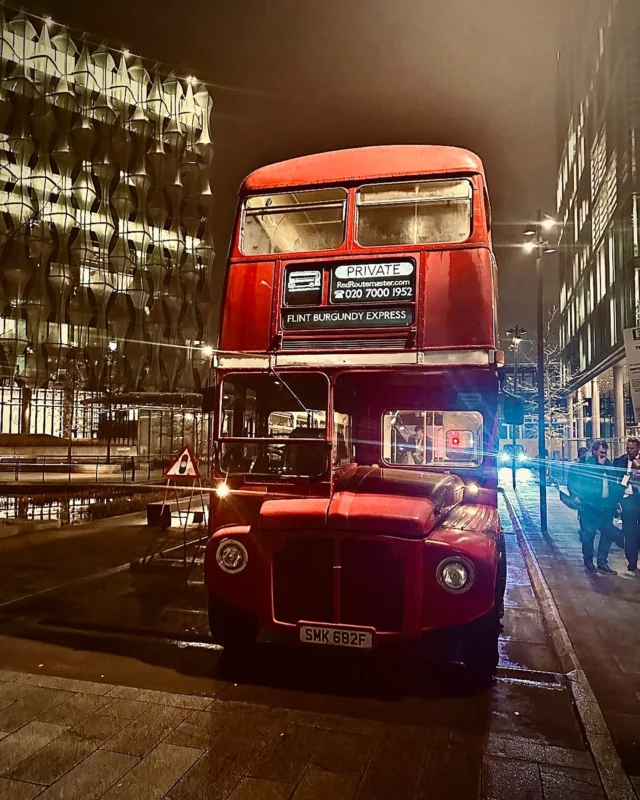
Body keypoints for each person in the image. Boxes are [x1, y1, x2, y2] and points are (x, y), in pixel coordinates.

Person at [572, 440, 619, 574]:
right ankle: (588, 560)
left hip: (605, 505)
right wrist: (575, 495)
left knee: (607, 532)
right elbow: (574, 479)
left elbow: (613, 479)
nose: (604, 455)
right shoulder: (584, 463)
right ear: (594, 451)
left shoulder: (607, 463)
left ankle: (602, 561)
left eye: (605, 452)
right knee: (589, 533)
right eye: (601, 452)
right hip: (589, 505)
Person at [613, 437, 640, 574]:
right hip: (628, 499)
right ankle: (632, 562)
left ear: (638, 448)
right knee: (629, 531)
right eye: (627, 448)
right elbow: (615, 480)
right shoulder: (619, 461)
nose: (629, 451)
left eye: (632, 448)